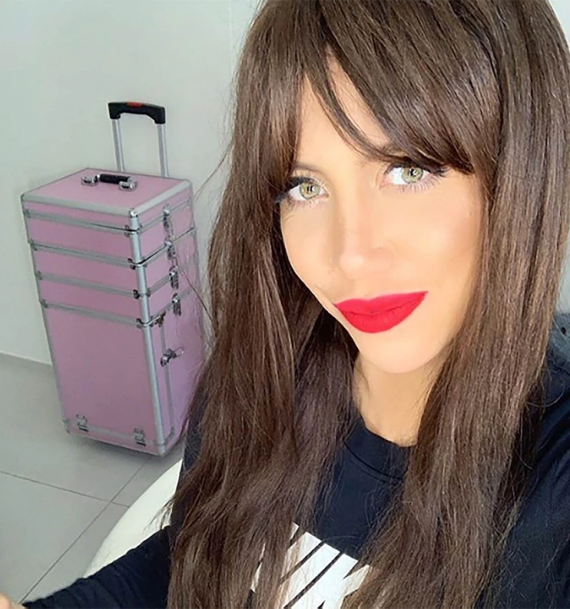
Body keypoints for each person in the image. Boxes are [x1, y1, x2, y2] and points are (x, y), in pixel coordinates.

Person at [4, 0, 570, 607]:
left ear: (522, 174)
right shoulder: (264, 372)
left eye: (409, 170)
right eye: (304, 186)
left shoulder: (552, 490)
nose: (349, 255)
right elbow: (199, 551)